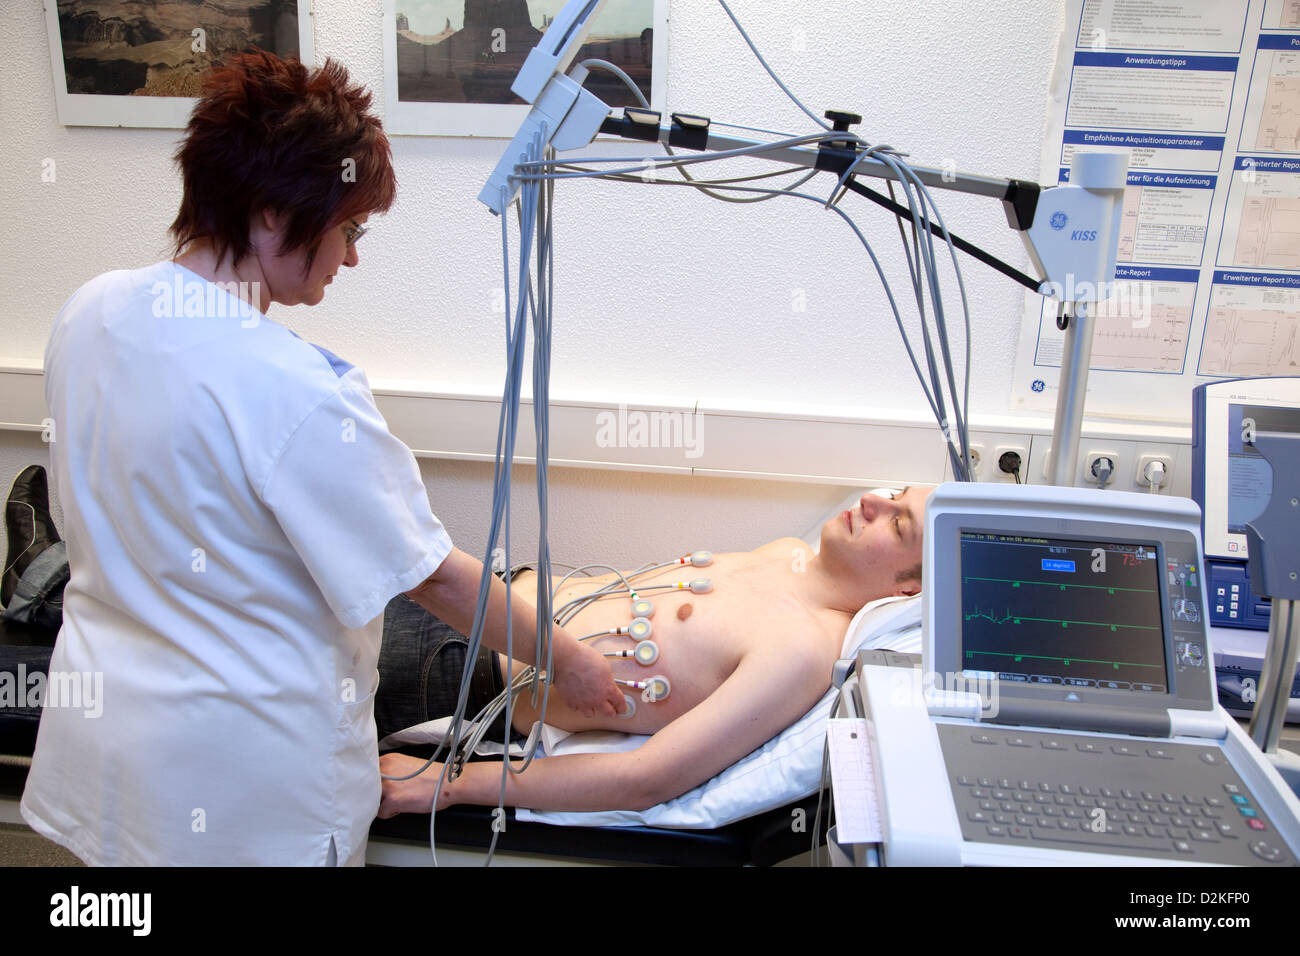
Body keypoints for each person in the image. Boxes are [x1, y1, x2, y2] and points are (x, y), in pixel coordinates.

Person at [20, 51, 621, 867]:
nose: (353, 255)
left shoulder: (90, 310)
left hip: (110, 749)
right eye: (349, 227)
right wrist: (573, 664)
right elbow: (434, 577)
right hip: (244, 794)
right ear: (273, 215)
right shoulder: (297, 390)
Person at [378, 485, 931, 818]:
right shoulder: (787, 554)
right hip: (482, 590)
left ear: (909, 591)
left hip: (459, 669)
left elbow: (649, 779)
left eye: (898, 520)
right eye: (896, 494)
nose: (872, 501)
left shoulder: (802, 652)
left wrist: (450, 787)